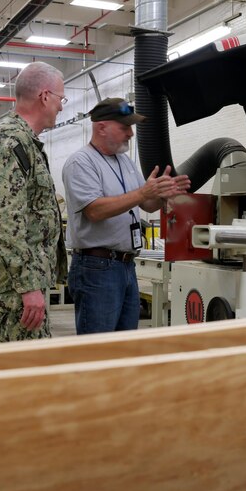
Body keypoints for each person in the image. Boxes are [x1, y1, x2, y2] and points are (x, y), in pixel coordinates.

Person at [63, 98, 191, 334]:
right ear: (101, 127)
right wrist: (143, 191)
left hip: (125, 266)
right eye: (124, 127)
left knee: (125, 344)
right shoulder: (81, 163)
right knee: (99, 346)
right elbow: (95, 210)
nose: (131, 134)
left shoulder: (125, 162)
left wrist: (162, 195)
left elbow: (146, 204)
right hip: (97, 268)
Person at [0, 62, 68, 342]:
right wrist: (28, 286)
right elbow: (4, 220)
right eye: (61, 99)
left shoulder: (24, 142)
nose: (61, 107)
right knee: (20, 370)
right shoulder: (9, 142)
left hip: (19, 283)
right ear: (45, 96)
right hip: (14, 288)